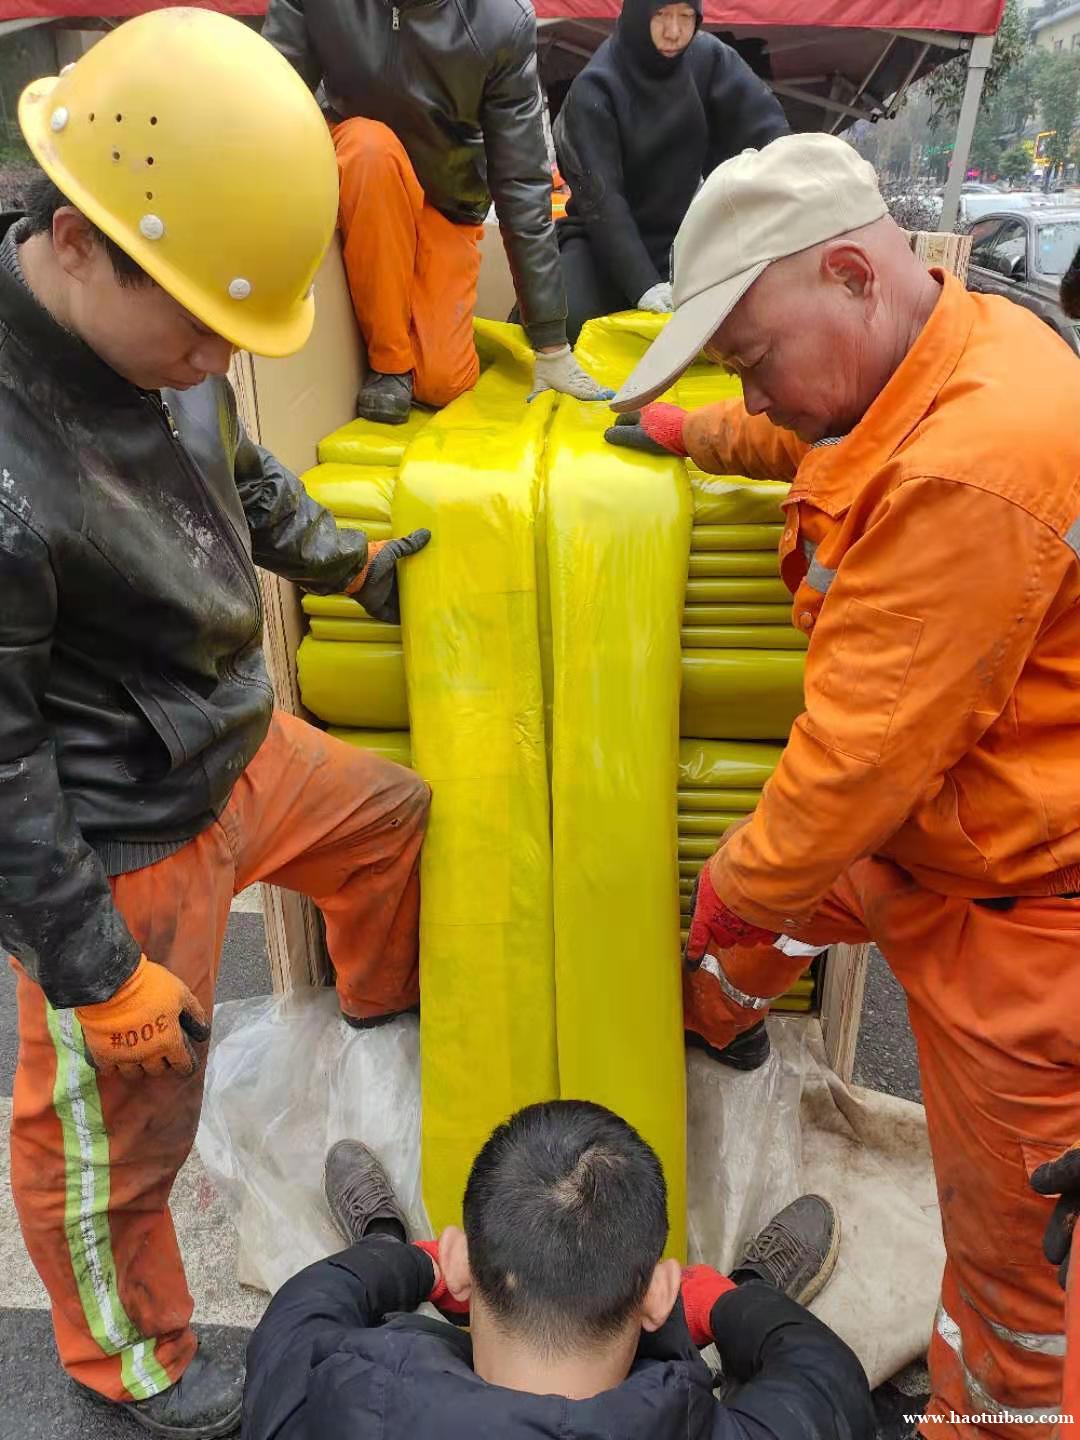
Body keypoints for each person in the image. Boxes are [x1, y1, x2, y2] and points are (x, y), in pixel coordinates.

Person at [606, 132, 1080, 1435]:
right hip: (947, 829)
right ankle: (720, 1016)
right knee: (791, 903)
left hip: (1021, 921)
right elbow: (825, 429)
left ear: (853, 276)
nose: (753, 388)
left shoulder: (971, 469)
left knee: (1015, 1263)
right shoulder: (943, 353)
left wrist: (732, 893)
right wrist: (693, 433)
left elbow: (849, 773)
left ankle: (997, 1410)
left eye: (751, 357)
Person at [2, 14, 433, 1437]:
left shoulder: (163, 347)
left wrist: (349, 562)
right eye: (195, 327)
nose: (212, 358)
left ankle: (364, 1023)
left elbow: (239, 479)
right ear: (76, 242)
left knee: (395, 824)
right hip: (119, 832)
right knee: (118, 1128)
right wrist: (91, 968)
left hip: (233, 740)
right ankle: (128, 1357)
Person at [243, 1100, 874, 1440]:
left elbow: (301, 1314)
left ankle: (383, 1236)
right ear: (659, 1294)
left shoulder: (330, 1402)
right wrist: (722, 1304)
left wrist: (412, 1262)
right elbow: (826, 1377)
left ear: (463, 1264)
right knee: (724, 1361)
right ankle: (750, 1289)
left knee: (394, 1326)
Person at [263, 0, 613, 426]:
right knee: (371, 148)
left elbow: (521, 180)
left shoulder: (502, 20)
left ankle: (412, 326)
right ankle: (390, 363)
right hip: (361, 173)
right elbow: (273, 95)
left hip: (447, 199)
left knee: (444, 382)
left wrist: (550, 341)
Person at [552, 0, 787, 343]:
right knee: (566, 318)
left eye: (686, 17)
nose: (674, 31)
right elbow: (602, 201)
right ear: (638, 14)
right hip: (601, 242)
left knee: (760, 313)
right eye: (661, 15)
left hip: (684, 239)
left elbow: (768, 133)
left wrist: (802, 171)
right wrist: (643, 284)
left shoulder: (710, 59)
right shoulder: (597, 86)